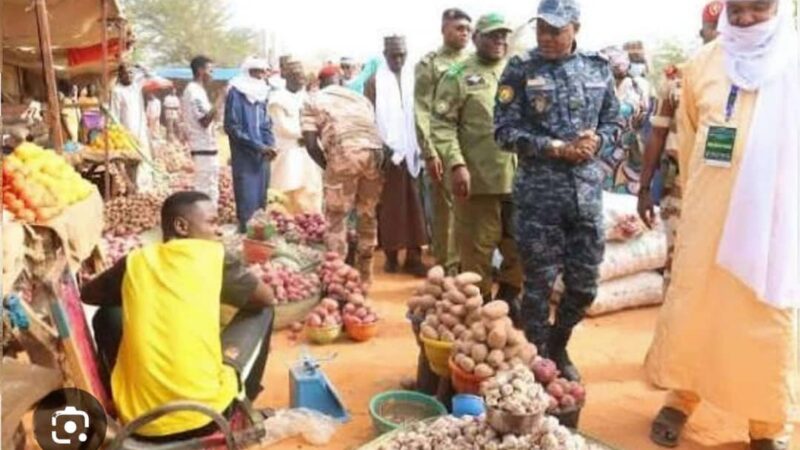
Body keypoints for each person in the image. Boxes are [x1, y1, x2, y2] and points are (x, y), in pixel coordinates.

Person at [645, 1, 799, 448]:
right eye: (738, 8)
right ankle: (681, 398)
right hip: (709, 215)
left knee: (765, 316)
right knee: (697, 306)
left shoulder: (794, 62)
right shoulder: (702, 65)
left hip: (774, 223)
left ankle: (767, 423)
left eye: (759, 7)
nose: (746, 18)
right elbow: (691, 141)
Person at [81, 191, 276, 441]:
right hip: (206, 417)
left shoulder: (135, 262)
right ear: (182, 226)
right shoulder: (213, 257)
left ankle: (121, 393)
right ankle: (243, 403)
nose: (219, 231)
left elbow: (89, 294)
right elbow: (266, 297)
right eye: (212, 222)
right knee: (263, 311)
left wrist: (145, 292)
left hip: (140, 422)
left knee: (107, 314)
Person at [494, 0, 621, 381]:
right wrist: (553, 147)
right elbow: (503, 132)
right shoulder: (520, 69)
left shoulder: (597, 68)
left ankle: (558, 341)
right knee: (537, 285)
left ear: (575, 29)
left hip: (586, 195)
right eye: (541, 30)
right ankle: (539, 356)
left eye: (556, 30)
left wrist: (598, 141)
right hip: (539, 197)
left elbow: (614, 122)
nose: (546, 37)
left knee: (584, 285)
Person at [432, 13, 523, 310]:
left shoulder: (516, 71)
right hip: (477, 180)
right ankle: (480, 305)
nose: (499, 40)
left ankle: (509, 298)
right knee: (477, 249)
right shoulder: (457, 76)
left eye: (503, 35)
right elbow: (442, 125)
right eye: (492, 35)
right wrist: (456, 164)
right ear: (476, 38)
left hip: (519, 178)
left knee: (520, 244)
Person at [638, 0, 723, 290]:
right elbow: (657, 134)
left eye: (725, 27)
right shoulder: (678, 78)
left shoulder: (750, 79)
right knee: (679, 268)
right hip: (680, 187)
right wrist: (644, 188)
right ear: (703, 33)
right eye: (713, 28)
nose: (720, 34)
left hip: (728, 190)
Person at [302, 66, 385, 283]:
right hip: (374, 154)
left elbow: (311, 144)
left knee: (336, 217)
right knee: (367, 214)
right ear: (340, 80)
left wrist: (329, 165)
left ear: (320, 82)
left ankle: (338, 276)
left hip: (343, 153)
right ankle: (366, 275)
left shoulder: (313, 99)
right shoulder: (360, 99)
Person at [415, 7, 472, 275]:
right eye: (459, 28)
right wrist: (430, 151)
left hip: (473, 147)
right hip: (443, 146)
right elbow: (422, 110)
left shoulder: (475, 61)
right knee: (446, 211)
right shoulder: (430, 64)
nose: (464, 33)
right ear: (443, 30)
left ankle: (470, 264)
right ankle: (448, 268)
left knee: (474, 209)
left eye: (468, 29)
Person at [365, 36, 429, 276]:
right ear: (385, 55)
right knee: (390, 207)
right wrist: (382, 148)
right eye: (394, 55)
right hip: (387, 154)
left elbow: (423, 112)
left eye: (402, 54)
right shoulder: (374, 82)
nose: (398, 59)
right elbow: (369, 117)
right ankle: (391, 256)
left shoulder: (416, 79)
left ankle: (414, 257)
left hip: (414, 152)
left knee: (416, 206)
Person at [223, 57, 276, 233]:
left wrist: (270, 144)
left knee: (261, 198)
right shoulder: (236, 93)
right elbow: (232, 127)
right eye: (256, 72)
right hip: (244, 155)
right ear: (248, 72)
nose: (260, 76)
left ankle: (258, 236)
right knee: (247, 197)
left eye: (263, 72)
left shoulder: (262, 94)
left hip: (263, 156)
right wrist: (257, 146)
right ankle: (245, 235)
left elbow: (266, 124)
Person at [269, 60, 323, 214]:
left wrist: (310, 136)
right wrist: (307, 134)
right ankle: (285, 220)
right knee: (286, 187)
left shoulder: (306, 98)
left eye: (302, 77)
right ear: (287, 76)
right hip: (288, 150)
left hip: (307, 150)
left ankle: (310, 219)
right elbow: (282, 127)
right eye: (297, 76)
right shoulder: (277, 99)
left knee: (310, 188)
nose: (301, 80)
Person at [182, 55, 221, 207]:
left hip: (208, 148)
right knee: (204, 188)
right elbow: (204, 120)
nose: (212, 74)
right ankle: (202, 218)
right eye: (210, 70)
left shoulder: (199, 90)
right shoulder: (193, 91)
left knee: (211, 187)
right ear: (200, 71)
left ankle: (211, 216)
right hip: (202, 148)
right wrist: (220, 99)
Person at [111, 62, 154, 190]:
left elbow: (151, 75)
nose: (129, 75)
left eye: (131, 73)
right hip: (128, 133)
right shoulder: (117, 91)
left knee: (145, 157)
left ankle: (147, 187)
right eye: (126, 73)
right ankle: (136, 187)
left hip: (141, 130)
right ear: (120, 75)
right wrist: (119, 134)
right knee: (132, 161)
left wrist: (139, 65)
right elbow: (114, 115)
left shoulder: (136, 85)